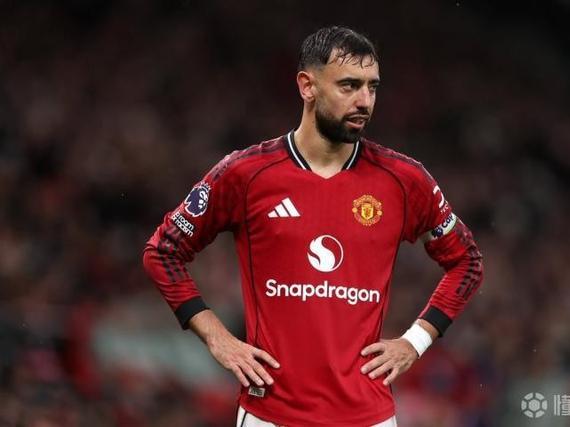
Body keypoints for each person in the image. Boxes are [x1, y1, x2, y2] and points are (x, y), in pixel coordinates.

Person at [143, 26, 483, 427]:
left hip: (368, 416)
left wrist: (416, 340)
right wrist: (216, 337)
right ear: (307, 86)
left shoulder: (405, 180)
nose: (364, 101)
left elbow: (467, 262)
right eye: (349, 86)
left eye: (372, 87)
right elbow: (163, 252)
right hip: (270, 414)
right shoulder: (245, 174)